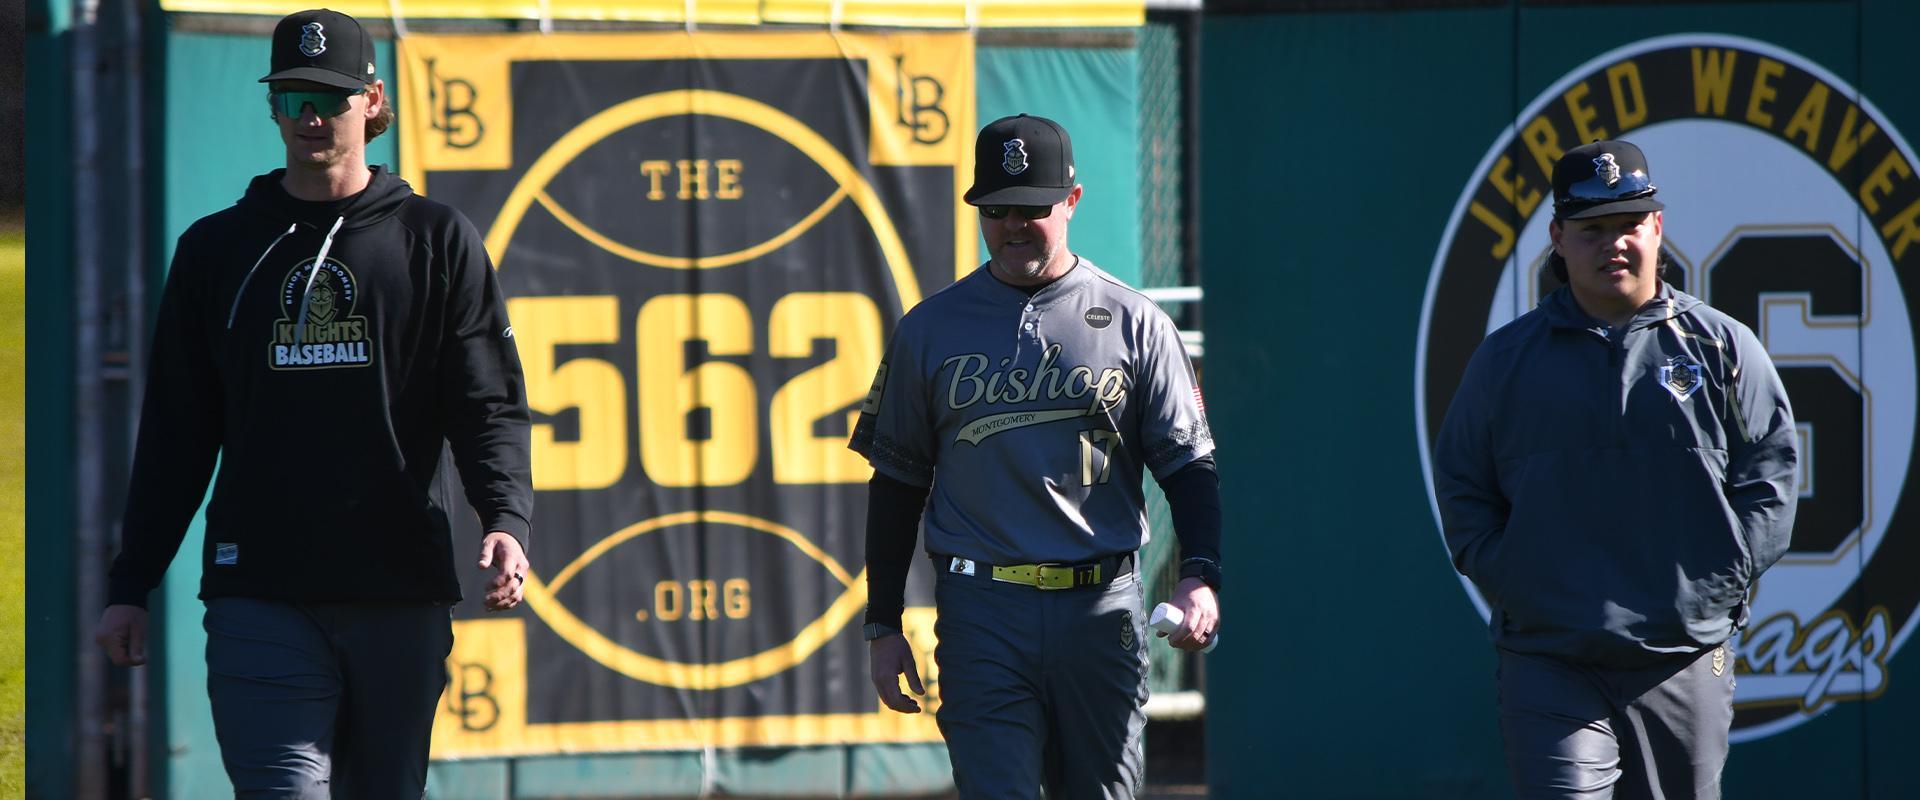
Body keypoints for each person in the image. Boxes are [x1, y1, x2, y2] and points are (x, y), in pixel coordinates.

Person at [91, 9, 533, 798]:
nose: (311, 116)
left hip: (399, 586)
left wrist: (505, 518)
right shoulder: (216, 250)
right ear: (272, 107)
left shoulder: (436, 240)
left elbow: (486, 403)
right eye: (293, 97)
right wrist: (132, 584)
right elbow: (176, 434)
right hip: (260, 588)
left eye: (329, 97)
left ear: (372, 99)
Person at [849, 113, 1222, 799]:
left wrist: (1200, 573)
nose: (1013, 225)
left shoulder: (1136, 321)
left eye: (1031, 208)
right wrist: (883, 622)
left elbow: (1188, 468)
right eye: (996, 210)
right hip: (983, 609)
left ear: (1072, 201)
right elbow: (896, 482)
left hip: (1101, 609)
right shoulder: (929, 330)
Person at [1433, 139, 1799, 799]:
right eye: (1592, 230)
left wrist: (1714, 586)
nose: (1614, 245)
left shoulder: (1721, 347)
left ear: (1656, 226)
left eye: (1629, 224)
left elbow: (1771, 477)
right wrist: (1518, 581)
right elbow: (1463, 486)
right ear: (1557, 237)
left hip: (1682, 655)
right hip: (1552, 656)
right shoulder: (1505, 360)